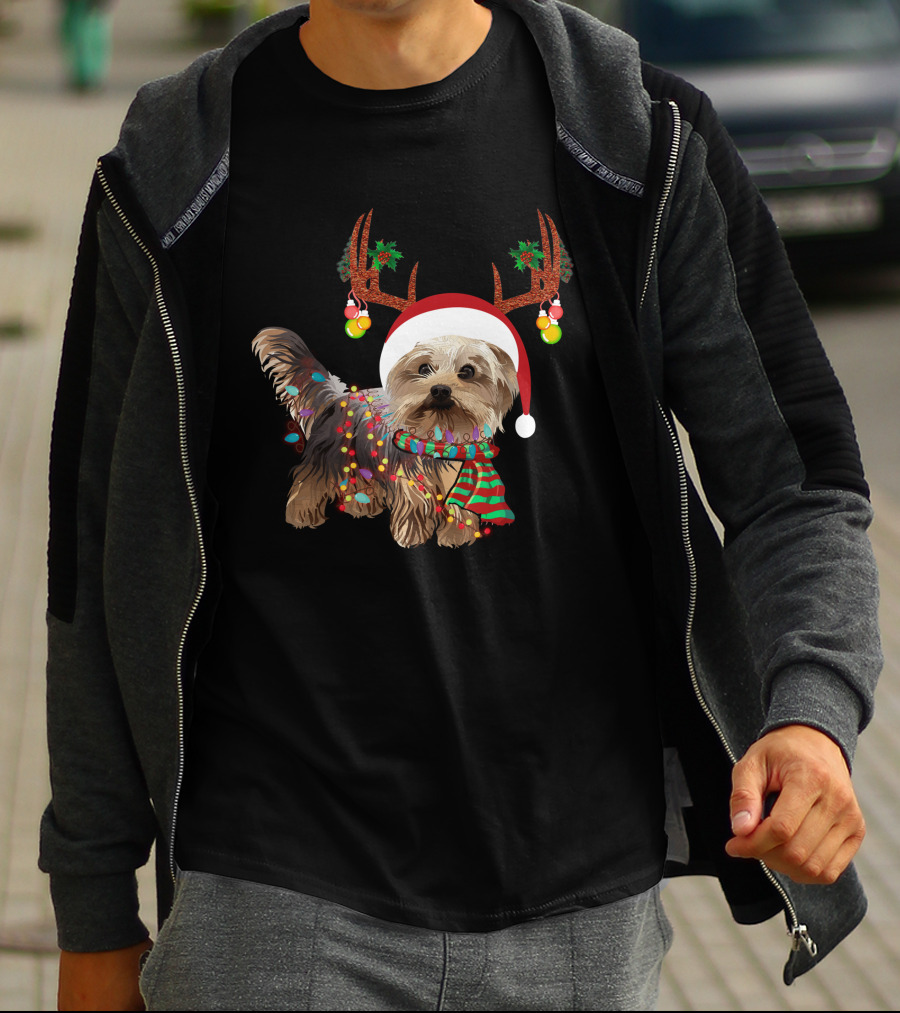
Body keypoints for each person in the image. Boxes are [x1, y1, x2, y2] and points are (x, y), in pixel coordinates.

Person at [41, 0, 880, 1009]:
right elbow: (90, 556)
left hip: (582, 902)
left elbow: (797, 480)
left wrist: (813, 715)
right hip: (269, 896)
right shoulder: (176, 165)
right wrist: (93, 907)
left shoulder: (636, 137)